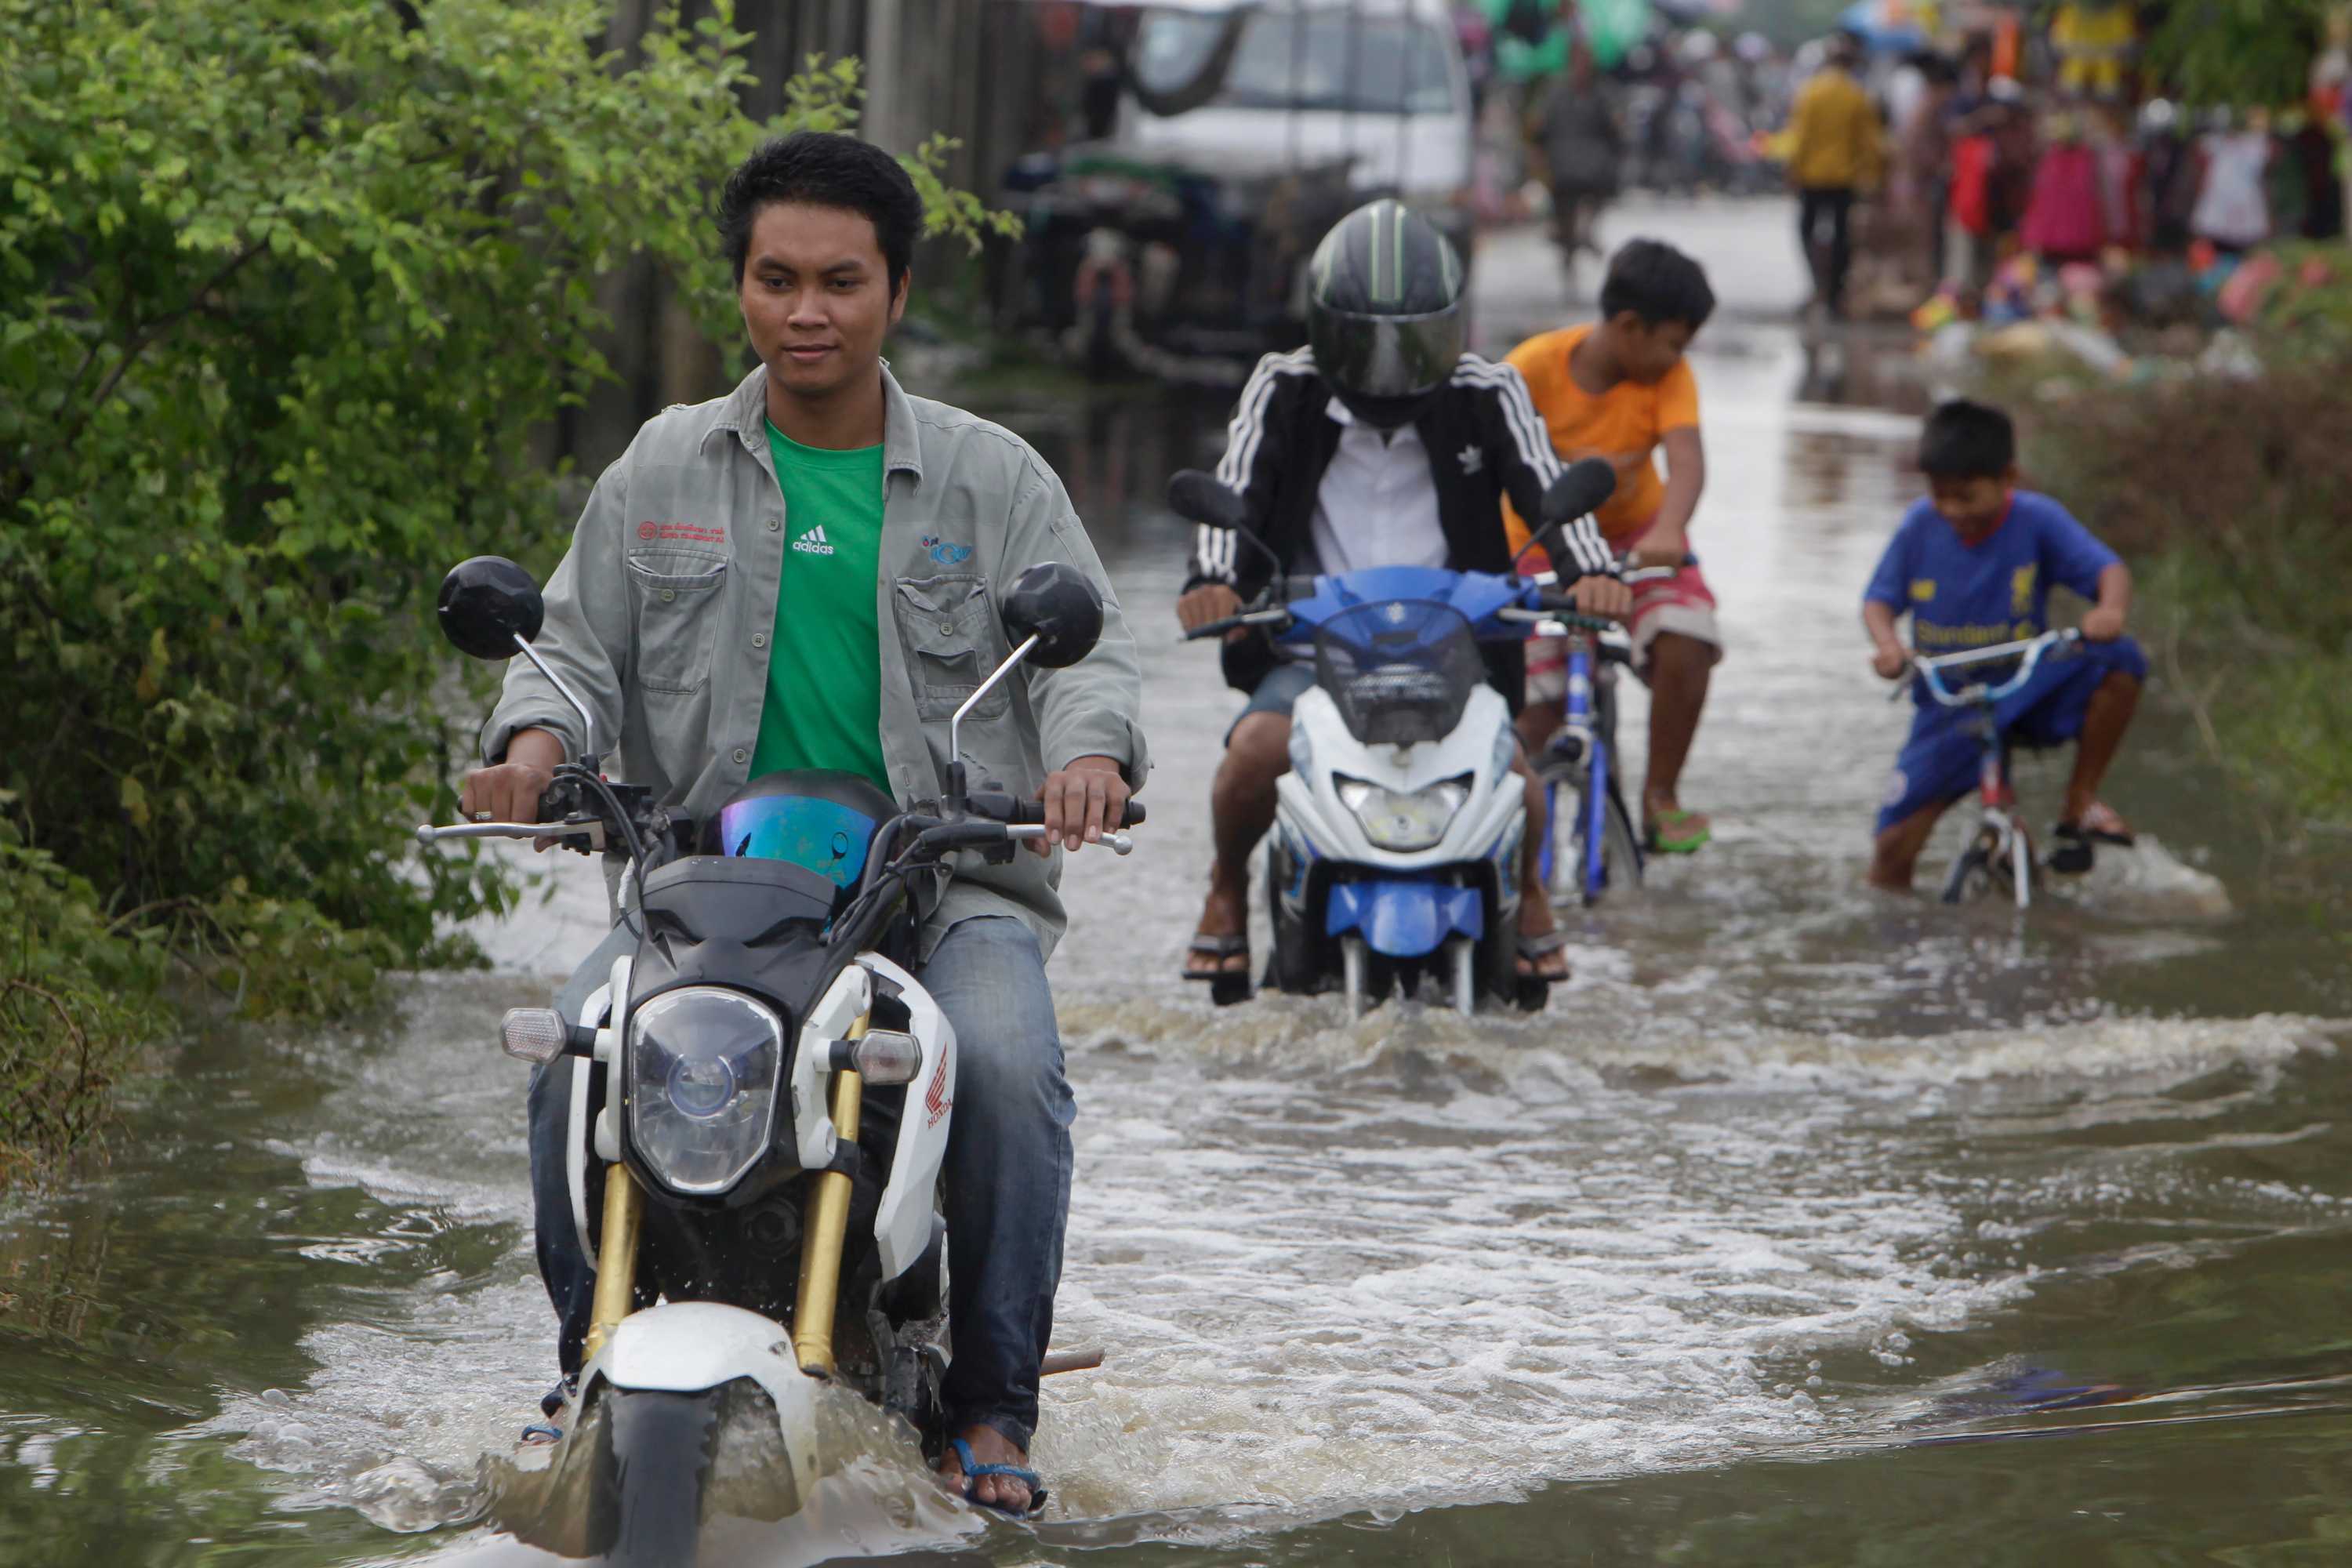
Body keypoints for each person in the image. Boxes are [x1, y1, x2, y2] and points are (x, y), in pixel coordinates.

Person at [463, 132, 1146, 1515]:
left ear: (896, 289)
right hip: (708, 885)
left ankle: (996, 1411)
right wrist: (531, 751)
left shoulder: (992, 478)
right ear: (743, 289)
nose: (807, 312)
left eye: (841, 281)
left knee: (1009, 1067)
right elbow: (575, 655)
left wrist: (1085, 765)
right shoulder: (661, 469)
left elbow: (1088, 664)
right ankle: (582, 1368)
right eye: (777, 280)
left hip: (942, 887)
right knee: (568, 1063)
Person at [1175, 198, 1629, 991]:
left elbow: (1549, 489)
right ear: (1326, 325)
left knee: (1515, 776)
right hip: (1314, 656)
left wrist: (1592, 571)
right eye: (1368, 339)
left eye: (1412, 338)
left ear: (1450, 325)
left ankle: (1526, 898)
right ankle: (1225, 887)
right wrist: (1214, 582)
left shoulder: (1491, 390)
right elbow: (1233, 491)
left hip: (1456, 660)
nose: (1391, 363)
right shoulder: (1281, 387)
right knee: (1250, 757)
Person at [1861, 399, 2143, 891]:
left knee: (2122, 660)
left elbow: (2108, 570)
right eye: (1940, 495)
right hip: (1949, 699)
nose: (1952, 511)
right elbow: (1879, 600)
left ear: (2007, 477)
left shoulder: (2038, 519)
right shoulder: (1919, 526)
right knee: (1892, 850)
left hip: (2025, 684)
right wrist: (1889, 647)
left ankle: (2080, 800)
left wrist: (2109, 610)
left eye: (1966, 496)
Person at [1501, 238, 1719, 855]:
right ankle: (1520, 848)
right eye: (1673, 341)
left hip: (1638, 544)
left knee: (1689, 635)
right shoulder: (1529, 369)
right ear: (1629, 327)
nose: (1679, 358)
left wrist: (1670, 530)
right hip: (1538, 546)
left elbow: (1686, 463)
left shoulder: (1669, 377)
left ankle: (1659, 795)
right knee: (1533, 715)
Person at [1785, 29, 1883, 318]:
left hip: (1812, 177)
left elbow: (1799, 137)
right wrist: (1871, 177)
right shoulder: (1857, 96)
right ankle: (1834, 295)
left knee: (1806, 232)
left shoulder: (1810, 92)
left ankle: (1817, 285)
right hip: (1844, 179)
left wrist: (1792, 169)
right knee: (1842, 237)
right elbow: (1869, 143)